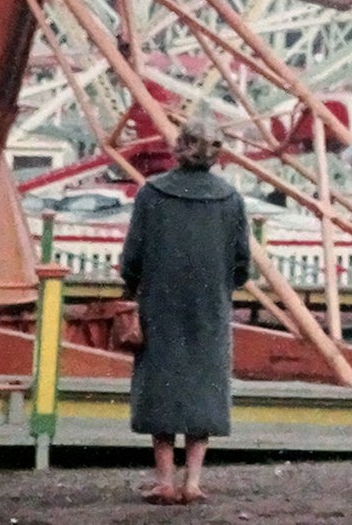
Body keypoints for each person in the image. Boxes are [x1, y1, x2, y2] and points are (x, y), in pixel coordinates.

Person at [120, 117, 250, 506]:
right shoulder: (230, 200)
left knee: (161, 388)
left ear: (179, 149)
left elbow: (132, 258)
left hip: (159, 305)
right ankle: (192, 481)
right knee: (203, 389)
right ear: (217, 153)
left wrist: (135, 286)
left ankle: (163, 480)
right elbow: (242, 264)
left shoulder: (152, 195)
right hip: (209, 307)